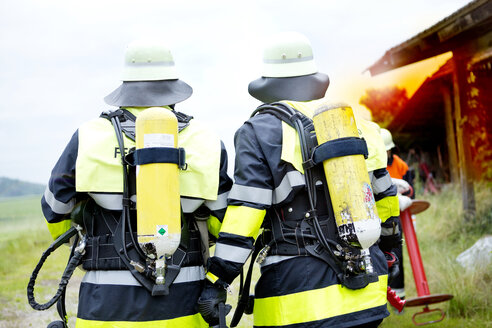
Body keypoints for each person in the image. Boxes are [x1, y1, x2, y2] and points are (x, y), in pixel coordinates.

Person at [198, 32, 401, 328]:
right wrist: (391, 250)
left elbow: (247, 213)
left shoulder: (258, 130)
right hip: (368, 288)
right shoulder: (355, 123)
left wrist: (218, 278)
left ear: (269, 83)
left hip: (298, 299)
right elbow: (385, 199)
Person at [40, 39, 232, 327]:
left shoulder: (88, 136)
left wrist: (81, 243)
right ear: (174, 91)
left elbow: (55, 208)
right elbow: (223, 223)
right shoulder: (206, 140)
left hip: (105, 307)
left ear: (126, 88)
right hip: (185, 302)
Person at [380, 128, 413, 301]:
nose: (385, 153)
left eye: (387, 149)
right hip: (379, 218)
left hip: (397, 217)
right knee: (379, 257)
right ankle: (383, 295)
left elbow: (410, 191)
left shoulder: (400, 165)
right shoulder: (373, 166)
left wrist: (403, 198)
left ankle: (399, 296)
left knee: (397, 254)